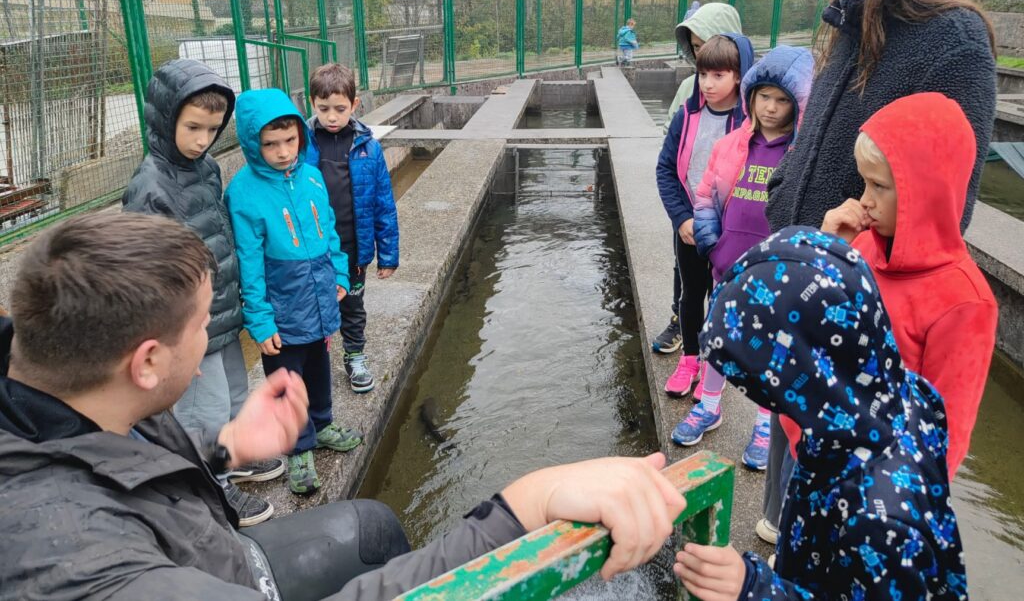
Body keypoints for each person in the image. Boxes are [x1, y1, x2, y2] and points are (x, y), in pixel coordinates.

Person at [0, 212, 687, 600]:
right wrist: (520, 509)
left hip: (219, 559)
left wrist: (225, 448)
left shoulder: (65, 374)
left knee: (374, 526)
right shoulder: (69, 562)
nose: (217, 332)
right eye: (206, 322)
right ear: (146, 362)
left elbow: (114, 455)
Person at [760, 0, 997, 547]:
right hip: (803, 293)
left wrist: (846, 270)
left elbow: (950, 209)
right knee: (787, 483)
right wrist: (786, 208)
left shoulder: (953, 41)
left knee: (842, 513)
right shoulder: (847, 21)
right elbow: (808, 144)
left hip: (860, 321)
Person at [673, 227, 969, 601]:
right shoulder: (896, 396)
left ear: (809, 375)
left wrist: (756, 588)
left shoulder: (880, 524)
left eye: (767, 387)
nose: (766, 400)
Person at [121, 58, 281, 526]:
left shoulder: (207, 167)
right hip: (187, 327)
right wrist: (169, 340)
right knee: (200, 410)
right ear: (165, 118)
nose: (201, 140)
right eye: (192, 127)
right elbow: (145, 274)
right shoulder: (149, 186)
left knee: (233, 393)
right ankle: (214, 490)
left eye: (211, 129)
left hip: (223, 313)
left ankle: (232, 458)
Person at [818, 93, 998, 477]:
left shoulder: (964, 302)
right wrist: (827, 251)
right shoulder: (863, 246)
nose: (864, 200)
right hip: (820, 459)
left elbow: (944, 438)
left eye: (879, 186)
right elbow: (815, 329)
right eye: (864, 183)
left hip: (878, 492)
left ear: (926, 189)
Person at [673, 46, 813, 471]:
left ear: (798, 104)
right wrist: (711, 242)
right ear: (750, 96)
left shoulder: (799, 154)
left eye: (782, 100)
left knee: (771, 350)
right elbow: (706, 195)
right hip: (727, 266)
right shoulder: (733, 144)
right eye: (764, 97)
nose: (770, 108)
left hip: (775, 277)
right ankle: (709, 405)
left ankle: (765, 423)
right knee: (719, 338)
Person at [225, 88, 362, 495]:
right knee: (286, 380)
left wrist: (338, 273)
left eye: (290, 140)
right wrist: (260, 319)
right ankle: (298, 448)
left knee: (319, 365)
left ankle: (322, 424)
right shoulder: (244, 193)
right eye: (270, 144)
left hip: (318, 295)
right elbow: (248, 263)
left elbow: (331, 232)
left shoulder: (312, 175)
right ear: (253, 144)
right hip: (282, 305)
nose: (283, 152)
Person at [655, 34, 754, 396]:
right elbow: (666, 169)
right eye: (702, 75)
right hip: (691, 226)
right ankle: (689, 359)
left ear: (740, 76)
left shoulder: (749, 124)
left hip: (731, 230)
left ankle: (715, 367)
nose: (708, 84)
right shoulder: (688, 115)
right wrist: (681, 218)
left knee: (722, 297)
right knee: (691, 293)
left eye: (718, 76)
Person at [305, 63, 399, 394]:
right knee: (315, 305)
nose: (332, 116)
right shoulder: (302, 145)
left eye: (340, 109)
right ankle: (315, 360)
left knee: (353, 305)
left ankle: (355, 355)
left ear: (355, 105)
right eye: (324, 108)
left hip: (354, 248)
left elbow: (383, 203)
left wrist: (388, 254)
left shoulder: (368, 148)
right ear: (311, 103)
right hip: (314, 250)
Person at [663, 2, 740, 133]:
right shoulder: (688, 86)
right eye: (696, 46)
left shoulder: (755, 92)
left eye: (708, 44)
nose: (702, 53)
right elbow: (668, 133)